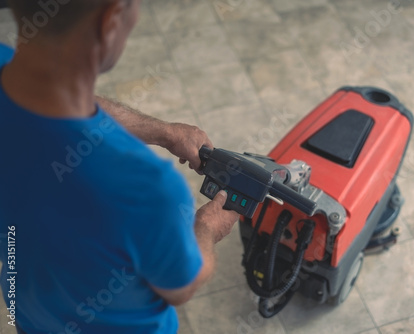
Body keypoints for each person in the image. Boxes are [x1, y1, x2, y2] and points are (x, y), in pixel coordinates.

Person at [0, 0, 239, 333]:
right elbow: (180, 287)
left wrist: (162, 131)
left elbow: (51, 88)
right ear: (110, 19)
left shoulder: (7, 67)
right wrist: (207, 229)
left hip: (28, 315)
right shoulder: (145, 187)